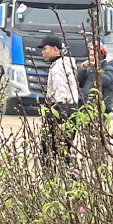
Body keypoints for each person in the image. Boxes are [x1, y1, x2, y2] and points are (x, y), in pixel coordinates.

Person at [37, 35, 79, 168]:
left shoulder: (58, 68)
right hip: (71, 110)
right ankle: (70, 177)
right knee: (64, 150)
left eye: (45, 48)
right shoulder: (67, 65)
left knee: (49, 149)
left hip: (60, 109)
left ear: (55, 49)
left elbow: (61, 92)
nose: (42, 52)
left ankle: (51, 179)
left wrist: (58, 118)